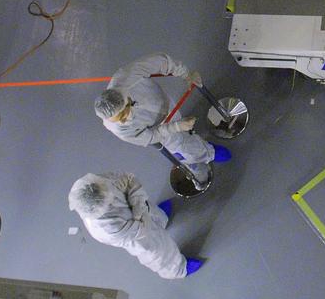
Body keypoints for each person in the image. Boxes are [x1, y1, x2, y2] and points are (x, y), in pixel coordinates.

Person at [93, 53, 230, 184]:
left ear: (127, 100)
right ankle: (205, 155)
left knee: (182, 126)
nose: (122, 121)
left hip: (168, 106)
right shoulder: (119, 129)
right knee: (181, 146)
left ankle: (191, 141)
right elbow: (151, 137)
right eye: (117, 120)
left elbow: (161, 61)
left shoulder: (126, 76)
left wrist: (186, 74)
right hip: (161, 131)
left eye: (123, 115)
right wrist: (175, 127)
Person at [68, 172, 203, 279]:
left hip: (138, 211)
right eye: (108, 199)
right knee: (156, 249)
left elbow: (128, 179)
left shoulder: (97, 183)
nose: (110, 192)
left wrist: (139, 206)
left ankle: (162, 219)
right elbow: (142, 229)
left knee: (151, 211)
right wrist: (138, 208)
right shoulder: (108, 228)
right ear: (99, 210)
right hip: (138, 236)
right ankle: (178, 269)